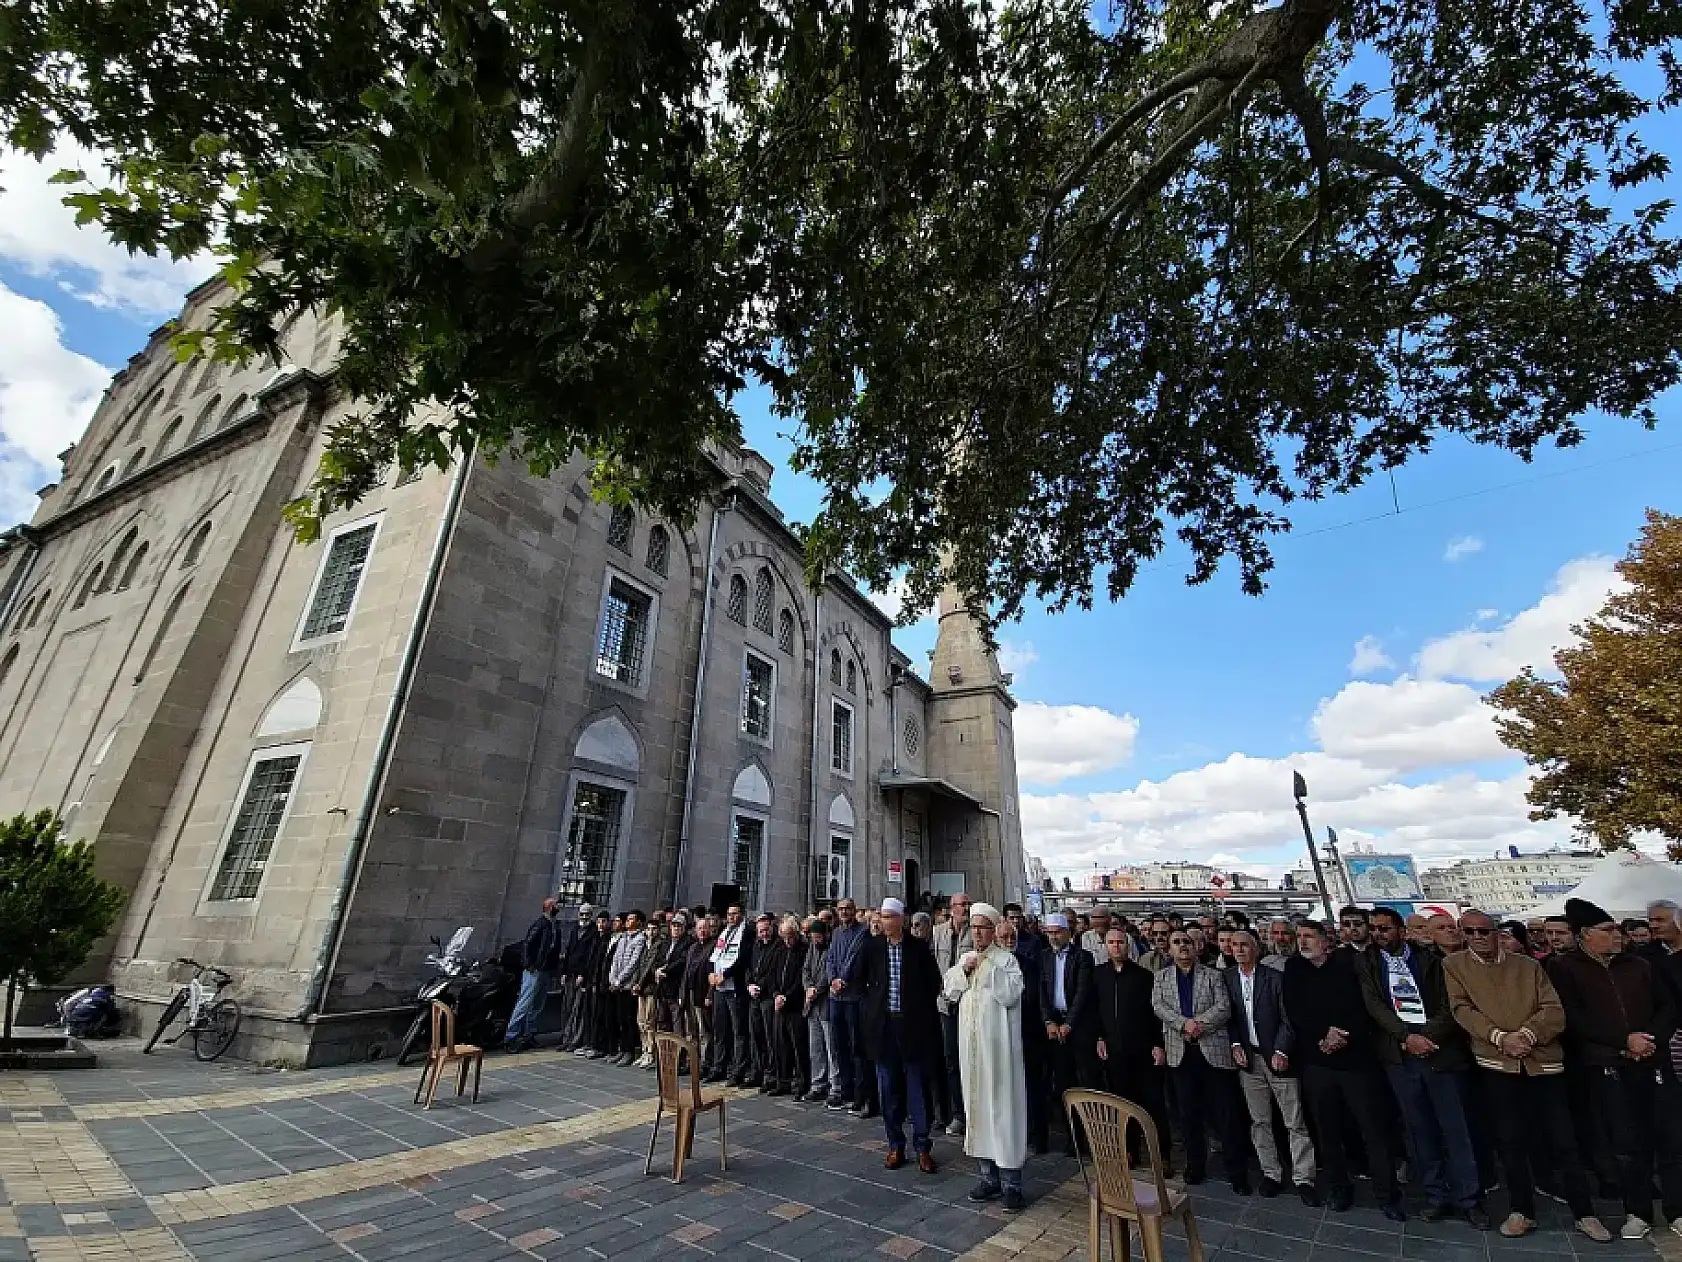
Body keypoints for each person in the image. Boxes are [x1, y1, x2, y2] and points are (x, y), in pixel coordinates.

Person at [1443, 909, 1609, 1242]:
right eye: (1470, 932)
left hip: (1543, 1063)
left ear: (1495, 932)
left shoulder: (1529, 965)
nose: (1478, 937)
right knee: (1511, 1142)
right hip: (1497, 1064)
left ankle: (1585, 1213)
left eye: (1484, 931)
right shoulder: (1454, 966)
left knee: (1564, 1141)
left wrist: (1528, 1035)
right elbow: (1461, 1008)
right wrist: (1500, 1038)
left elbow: (1552, 1009)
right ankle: (1522, 1211)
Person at [1549, 897, 1682, 1241]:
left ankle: (1677, 1209)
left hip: (1653, 1061)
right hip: (1608, 1067)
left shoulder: (1639, 965)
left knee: (1671, 1140)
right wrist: (1625, 1042)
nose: (1617, 935)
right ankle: (1637, 1212)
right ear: (1585, 935)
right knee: (1627, 1145)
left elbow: (1668, 1007)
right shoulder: (1565, 969)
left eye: (1617, 929)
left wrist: (1649, 1039)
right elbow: (1574, 1019)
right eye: (1608, 930)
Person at [1357, 906, 1487, 1229]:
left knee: (1456, 1131)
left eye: (1385, 928)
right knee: (1420, 1131)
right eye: (1374, 929)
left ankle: (1470, 1199)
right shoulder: (1368, 962)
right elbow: (1375, 1005)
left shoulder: (1432, 960)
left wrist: (1425, 1036)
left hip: (1439, 1053)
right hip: (1401, 1057)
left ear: (1401, 930)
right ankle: (1436, 1196)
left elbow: (1450, 1005)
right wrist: (1406, 1037)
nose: (1378, 934)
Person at [1282, 920, 1401, 1219]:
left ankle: (1387, 1194)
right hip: (1318, 1061)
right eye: (1300, 937)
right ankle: (1339, 1187)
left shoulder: (1349, 965)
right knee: (1327, 1131)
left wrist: (1341, 1034)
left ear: (1326, 940)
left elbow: (1363, 1007)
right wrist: (1323, 1036)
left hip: (1356, 1062)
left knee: (1373, 1130)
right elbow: (1295, 1011)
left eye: (1309, 936)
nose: (1303, 942)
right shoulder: (1295, 969)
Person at [1151, 927, 1251, 1193]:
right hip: (1180, 1053)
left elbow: (1223, 1007)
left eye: (1187, 941)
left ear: (1196, 947)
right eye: (1177, 942)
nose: (1183, 946)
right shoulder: (1160, 978)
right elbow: (1159, 1007)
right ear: (1169, 949)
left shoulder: (1213, 975)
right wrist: (1185, 1025)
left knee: (1226, 1115)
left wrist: (1199, 1025)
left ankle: (1237, 1172)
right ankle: (1195, 1166)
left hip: (1213, 1052)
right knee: (1188, 1115)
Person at [942, 903, 1029, 1213]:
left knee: (1003, 1111)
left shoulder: (1007, 961)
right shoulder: (965, 958)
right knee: (977, 1109)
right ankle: (988, 1177)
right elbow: (950, 990)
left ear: (993, 931)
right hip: (974, 1054)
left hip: (1000, 1055)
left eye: (983, 927)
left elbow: (1011, 995)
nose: (977, 932)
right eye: (974, 926)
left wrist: (987, 968)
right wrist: (964, 969)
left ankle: (1012, 1184)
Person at [1226, 928, 1315, 1201]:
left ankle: (1304, 1178)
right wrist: (1235, 1045)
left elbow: (1289, 1019)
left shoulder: (1275, 978)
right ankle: (1271, 1173)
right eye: (1234, 945)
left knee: (1294, 1120)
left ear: (1256, 948)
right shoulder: (1227, 978)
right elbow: (1229, 1018)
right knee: (1260, 1121)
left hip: (1277, 1057)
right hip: (1249, 1060)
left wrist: (1281, 1049)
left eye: (1245, 945)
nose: (1239, 950)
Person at [853, 897, 941, 1173]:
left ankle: (923, 1146)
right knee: (888, 1089)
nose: (883, 921)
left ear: (901, 919)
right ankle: (895, 1144)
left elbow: (932, 983)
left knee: (916, 1090)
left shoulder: (918, 948)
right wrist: (873, 1006)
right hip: (883, 1028)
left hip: (912, 1028)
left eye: (889, 916)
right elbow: (859, 979)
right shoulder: (872, 946)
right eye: (881, 916)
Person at [1091, 926, 1171, 1173]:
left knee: (1154, 1104)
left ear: (1128, 945)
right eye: (1111, 942)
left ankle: (1162, 1155)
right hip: (1114, 1052)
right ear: (1105, 946)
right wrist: (1098, 1037)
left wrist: (1158, 1044)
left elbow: (1155, 1014)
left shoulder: (1144, 977)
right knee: (1122, 1106)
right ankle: (1129, 1152)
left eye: (1121, 942)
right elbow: (1093, 1011)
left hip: (1143, 1050)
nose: (1116, 946)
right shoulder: (1097, 975)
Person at [1038, 912, 1094, 1154]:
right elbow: (1041, 992)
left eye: (1057, 932)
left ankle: (1089, 1137)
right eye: (1049, 933)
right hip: (1054, 1026)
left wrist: (1069, 1023)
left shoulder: (1083, 957)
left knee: (1085, 1082)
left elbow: (1082, 994)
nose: (1053, 937)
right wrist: (1049, 1021)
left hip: (1077, 1027)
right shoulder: (1043, 957)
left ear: (1068, 933)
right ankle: (1071, 1138)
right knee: (1062, 1085)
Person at [998, 917, 1050, 1154]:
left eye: (1013, 937)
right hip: (1000, 1036)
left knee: (1032, 1087)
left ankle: (1038, 1135)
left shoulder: (1028, 965)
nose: (1009, 941)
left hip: (1027, 1034)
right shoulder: (991, 965)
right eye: (1004, 937)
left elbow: (1033, 999)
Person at [828, 897, 877, 1117]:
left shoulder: (862, 932)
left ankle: (860, 1095)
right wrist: (832, 979)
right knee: (840, 1047)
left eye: (848, 909)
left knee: (857, 1048)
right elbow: (830, 958)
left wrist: (843, 980)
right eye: (841, 909)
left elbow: (854, 957)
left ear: (854, 911)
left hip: (853, 997)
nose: (845, 912)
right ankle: (845, 1092)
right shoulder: (836, 932)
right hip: (836, 998)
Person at [931, 891, 973, 1137]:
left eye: (967, 904)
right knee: (950, 1059)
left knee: (969, 1057)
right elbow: (936, 963)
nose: (964, 909)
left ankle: (970, 1112)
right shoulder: (939, 932)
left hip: (967, 1001)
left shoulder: (974, 931)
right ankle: (956, 1113)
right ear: (951, 907)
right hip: (946, 1004)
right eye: (960, 905)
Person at [504, 897, 560, 1052]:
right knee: (525, 1002)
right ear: (549, 907)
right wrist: (529, 964)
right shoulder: (540, 924)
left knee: (537, 1004)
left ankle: (529, 1034)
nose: (558, 908)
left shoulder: (554, 925)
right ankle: (511, 1036)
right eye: (556, 906)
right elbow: (527, 944)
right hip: (535, 969)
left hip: (546, 969)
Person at [704, 904, 752, 1084]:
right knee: (719, 1029)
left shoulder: (746, 932)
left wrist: (725, 975)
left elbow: (742, 959)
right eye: (729, 914)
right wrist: (711, 972)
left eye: (735, 914)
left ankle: (738, 1069)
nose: (731, 917)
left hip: (734, 987)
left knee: (738, 1030)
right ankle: (719, 1066)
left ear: (741, 914)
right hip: (719, 988)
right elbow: (715, 955)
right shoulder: (725, 932)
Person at [764, 915, 808, 1096]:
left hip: (795, 1004)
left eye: (790, 936)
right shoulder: (779, 950)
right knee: (780, 1044)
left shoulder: (803, 950)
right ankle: (783, 1081)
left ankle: (801, 1082)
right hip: (779, 1003)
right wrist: (775, 994)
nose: (788, 941)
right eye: (784, 937)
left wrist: (787, 997)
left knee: (798, 1046)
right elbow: (772, 974)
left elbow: (800, 978)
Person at [606, 909, 650, 1066]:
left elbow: (633, 962)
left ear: (638, 921)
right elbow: (616, 959)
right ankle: (621, 1049)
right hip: (617, 983)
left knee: (628, 1019)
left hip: (628, 984)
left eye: (632, 919)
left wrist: (620, 980)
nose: (628, 921)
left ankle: (629, 1051)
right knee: (619, 1018)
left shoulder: (639, 939)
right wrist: (613, 978)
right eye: (628, 919)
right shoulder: (623, 937)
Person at [802, 918, 837, 1103]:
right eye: (813, 937)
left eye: (818, 936)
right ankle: (817, 1084)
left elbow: (828, 972)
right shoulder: (811, 949)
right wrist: (808, 987)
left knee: (831, 1048)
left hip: (825, 1003)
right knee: (815, 1049)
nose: (816, 940)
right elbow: (806, 969)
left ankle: (835, 1086)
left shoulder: (830, 948)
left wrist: (817, 989)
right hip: (812, 1003)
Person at [745, 913, 780, 1089]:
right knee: (755, 1036)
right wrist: (750, 984)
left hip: (767, 996)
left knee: (769, 1037)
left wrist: (760, 986)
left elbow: (773, 972)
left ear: (772, 929)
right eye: (760, 931)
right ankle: (757, 1071)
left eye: (766, 930)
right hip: (754, 996)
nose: (764, 934)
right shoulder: (755, 946)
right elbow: (749, 968)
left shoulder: (777, 946)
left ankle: (770, 1074)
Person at [652, 910, 693, 1042]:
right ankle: (664, 1054)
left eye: (679, 926)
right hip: (662, 988)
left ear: (684, 927)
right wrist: (657, 970)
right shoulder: (666, 942)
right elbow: (657, 959)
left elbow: (682, 961)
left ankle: (678, 1056)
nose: (676, 928)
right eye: (674, 925)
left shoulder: (688, 942)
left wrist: (665, 970)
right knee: (662, 1022)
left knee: (677, 1025)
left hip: (676, 988)